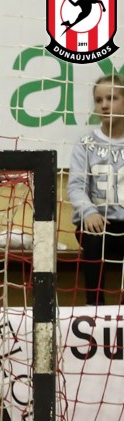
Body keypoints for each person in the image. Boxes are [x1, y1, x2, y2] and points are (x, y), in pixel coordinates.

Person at [68, 74, 124, 306]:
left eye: (112, 98)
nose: (104, 105)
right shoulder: (86, 143)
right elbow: (76, 186)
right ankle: (94, 306)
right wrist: (89, 211)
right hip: (98, 223)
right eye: (99, 100)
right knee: (93, 239)